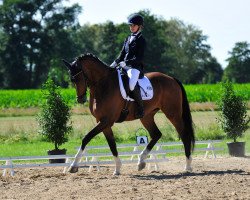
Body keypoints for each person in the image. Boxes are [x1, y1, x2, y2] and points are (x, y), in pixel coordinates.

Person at [110, 14, 146, 119]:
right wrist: (114, 63)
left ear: (139, 26)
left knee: (131, 85)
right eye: (130, 25)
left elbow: (139, 58)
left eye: (133, 25)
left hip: (135, 67)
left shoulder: (141, 40)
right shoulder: (128, 38)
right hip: (123, 66)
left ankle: (141, 108)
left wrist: (127, 62)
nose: (131, 27)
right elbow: (122, 54)